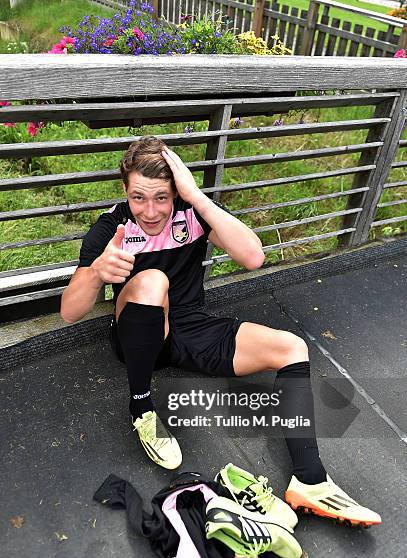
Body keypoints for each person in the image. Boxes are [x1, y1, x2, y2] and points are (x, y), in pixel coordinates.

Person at [60, 136, 381, 528]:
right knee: (153, 281)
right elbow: (69, 312)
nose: (149, 211)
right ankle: (141, 408)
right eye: (139, 198)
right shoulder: (112, 227)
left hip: (192, 328)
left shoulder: (191, 211)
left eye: (161, 197)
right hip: (138, 337)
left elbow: (252, 256)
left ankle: (309, 481)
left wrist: (196, 197)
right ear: (125, 191)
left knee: (291, 347)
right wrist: (95, 273)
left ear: (175, 190)